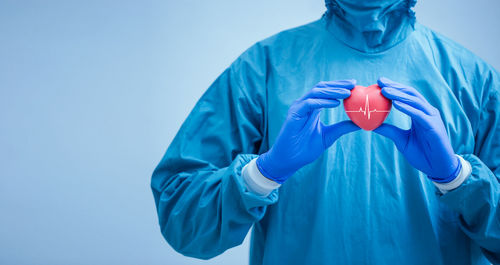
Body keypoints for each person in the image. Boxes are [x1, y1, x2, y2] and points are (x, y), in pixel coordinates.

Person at [151, 0, 500, 264]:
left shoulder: (473, 81)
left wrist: (457, 178)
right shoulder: (264, 68)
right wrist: (264, 172)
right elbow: (184, 221)